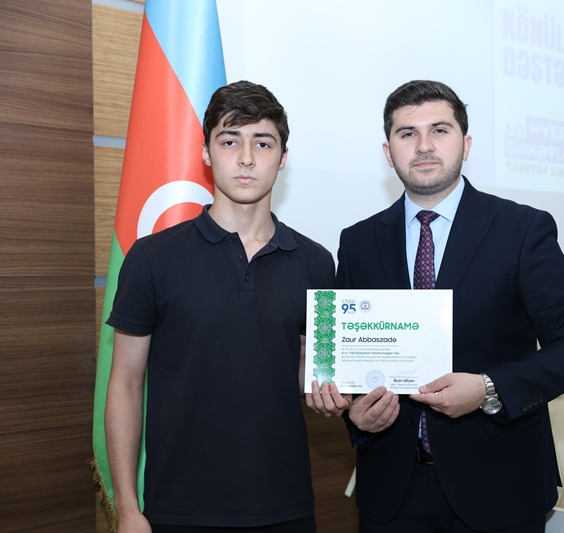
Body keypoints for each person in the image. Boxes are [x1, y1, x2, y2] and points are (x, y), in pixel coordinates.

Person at [336, 80, 564, 533]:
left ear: (466, 143)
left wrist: (487, 388)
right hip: (391, 495)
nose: (424, 146)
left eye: (439, 130)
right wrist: (357, 417)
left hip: (500, 488)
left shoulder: (522, 229)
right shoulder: (358, 241)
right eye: (407, 133)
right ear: (388, 152)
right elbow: (352, 365)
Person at [105, 80, 348, 533]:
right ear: (206, 152)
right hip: (179, 507)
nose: (247, 158)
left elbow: (309, 366)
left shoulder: (317, 262)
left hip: (286, 506)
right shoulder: (152, 257)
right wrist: (128, 508)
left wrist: (332, 392)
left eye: (263, 142)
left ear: (283, 157)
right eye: (230, 141)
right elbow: (125, 383)